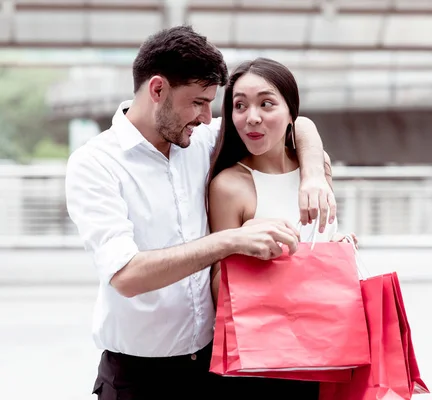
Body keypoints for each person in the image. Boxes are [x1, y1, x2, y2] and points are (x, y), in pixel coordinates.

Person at [65, 26, 336, 400]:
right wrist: (230, 241)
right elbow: (126, 275)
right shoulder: (95, 164)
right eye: (198, 102)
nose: (209, 117)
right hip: (137, 377)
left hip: (213, 370)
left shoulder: (200, 136)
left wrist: (313, 176)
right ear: (157, 90)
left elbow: (297, 123)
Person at [206, 57, 356, 399]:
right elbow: (218, 289)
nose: (252, 117)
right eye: (239, 105)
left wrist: (340, 247)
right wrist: (244, 247)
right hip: (264, 363)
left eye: (266, 103)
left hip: (325, 352)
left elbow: (321, 243)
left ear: (291, 113)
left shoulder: (316, 166)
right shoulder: (230, 185)